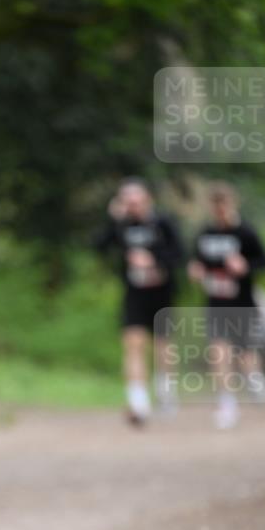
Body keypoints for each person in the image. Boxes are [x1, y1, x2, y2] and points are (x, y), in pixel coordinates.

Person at [94, 178, 184, 424]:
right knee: (133, 344)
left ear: (147, 201)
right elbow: (98, 247)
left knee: (163, 346)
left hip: (162, 294)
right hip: (134, 293)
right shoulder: (121, 226)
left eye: (136, 202)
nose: (132, 207)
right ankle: (138, 401)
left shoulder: (163, 223)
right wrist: (113, 220)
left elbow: (180, 254)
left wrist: (152, 260)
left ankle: (166, 391)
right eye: (127, 202)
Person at [188, 182, 265, 430]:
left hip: (242, 301)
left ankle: (254, 379)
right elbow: (197, 260)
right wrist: (196, 269)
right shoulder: (206, 233)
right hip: (216, 302)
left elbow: (264, 263)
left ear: (232, 204)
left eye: (223, 205)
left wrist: (245, 266)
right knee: (219, 351)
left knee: (244, 352)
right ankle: (227, 403)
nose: (219, 211)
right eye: (215, 206)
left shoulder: (246, 232)